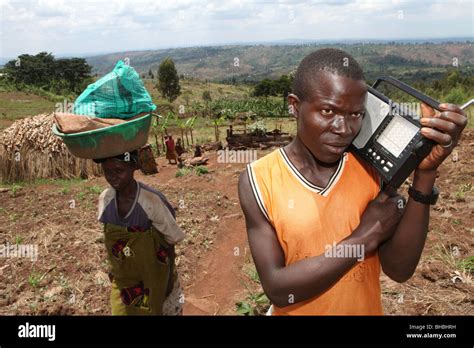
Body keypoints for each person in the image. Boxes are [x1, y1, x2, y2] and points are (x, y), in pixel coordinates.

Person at [238, 48, 467, 315]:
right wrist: (364, 237)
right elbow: (279, 289)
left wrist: (425, 174)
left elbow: (399, 270)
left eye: (355, 114)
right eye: (327, 111)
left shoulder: (369, 172)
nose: (343, 128)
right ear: (294, 105)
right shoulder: (258, 180)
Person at [95, 151, 185, 315]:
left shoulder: (151, 201)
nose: (113, 177)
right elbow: (111, 240)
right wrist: (113, 268)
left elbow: (170, 242)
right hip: (124, 279)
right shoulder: (105, 200)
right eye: (108, 172)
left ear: (133, 167)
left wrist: (169, 281)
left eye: (119, 170)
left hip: (155, 276)